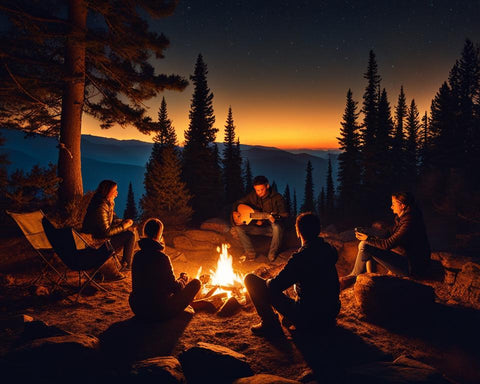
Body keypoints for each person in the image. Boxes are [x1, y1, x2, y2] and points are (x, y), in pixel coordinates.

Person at [244, 212, 340, 337]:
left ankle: (269, 324)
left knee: (250, 279)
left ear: (298, 232)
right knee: (297, 290)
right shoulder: (329, 250)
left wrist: (268, 281)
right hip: (331, 312)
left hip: (309, 317)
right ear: (318, 230)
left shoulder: (301, 257)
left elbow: (274, 286)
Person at [342, 191, 431, 287]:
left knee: (365, 245)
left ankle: (355, 276)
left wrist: (368, 239)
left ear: (402, 205)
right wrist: (369, 232)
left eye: (393, 204)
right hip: (408, 261)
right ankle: (365, 276)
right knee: (366, 244)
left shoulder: (409, 222)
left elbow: (388, 244)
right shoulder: (403, 218)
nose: (391, 207)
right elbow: (388, 233)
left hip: (411, 267)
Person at [129, 218, 201, 321]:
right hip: (159, 311)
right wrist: (183, 279)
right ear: (159, 234)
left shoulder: (137, 256)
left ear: (144, 232)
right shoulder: (162, 258)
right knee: (196, 283)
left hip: (138, 308)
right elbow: (175, 288)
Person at [82, 179, 135, 272]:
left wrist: (123, 222)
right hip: (97, 241)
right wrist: (123, 226)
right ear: (107, 191)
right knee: (129, 235)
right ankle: (126, 265)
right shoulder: (101, 206)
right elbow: (106, 232)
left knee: (129, 232)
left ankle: (125, 263)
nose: (117, 193)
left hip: (99, 235)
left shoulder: (105, 203)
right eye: (114, 190)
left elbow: (111, 219)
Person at [232, 175, 288, 261]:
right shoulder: (253, 196)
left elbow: (285, 214)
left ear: (267, 186)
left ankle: (272, 254)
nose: (259, 192)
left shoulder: (277, 198)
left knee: (276, 227)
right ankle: (250, 253)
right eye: (257, 190)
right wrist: (234, 212)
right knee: (238, 228)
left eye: (262, 189)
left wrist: (276, 217)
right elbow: (238, 203)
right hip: (260, 228)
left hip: (272, 230)